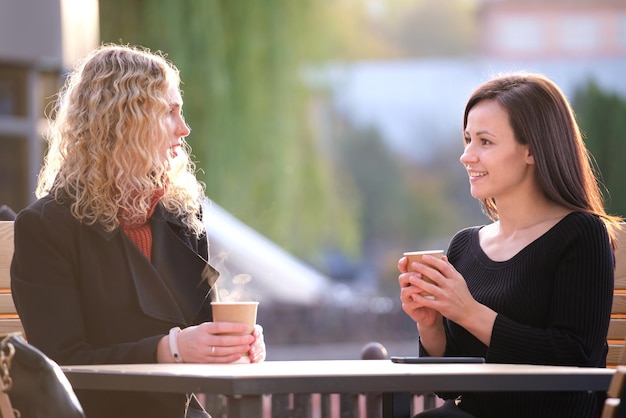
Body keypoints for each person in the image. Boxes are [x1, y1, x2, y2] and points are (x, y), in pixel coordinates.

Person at [10, 44, 266, 418]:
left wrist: (234, 345)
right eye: (170, 112)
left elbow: (201, 329)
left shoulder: (182, 215)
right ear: (125, 121)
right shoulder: (47, 226)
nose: (185, 128)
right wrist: (171, 349)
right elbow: (59, 363)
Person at [398, 72, 623, 418]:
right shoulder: (464, 245)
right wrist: (430, 324)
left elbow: (576, 356)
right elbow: (449, 386)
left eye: (485, 142)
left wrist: (468, 312)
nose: (467, 156)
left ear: (532, 149)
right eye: (467, 139)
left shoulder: (581, 234)